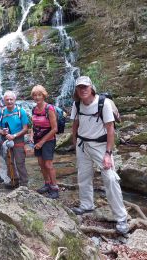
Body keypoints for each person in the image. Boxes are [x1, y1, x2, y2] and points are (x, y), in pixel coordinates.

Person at [70, 76, 129, 234]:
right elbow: (75, 124)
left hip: (101, 145)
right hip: (83, 145)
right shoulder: (77, 104)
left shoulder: (103, 104)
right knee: (83, 176)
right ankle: (86, 205)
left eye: (85, 87)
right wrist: (75, 143)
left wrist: (108, 154)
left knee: (110, 178)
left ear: (91, 88)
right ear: (77, 89)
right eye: (80, 87)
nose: (83, 90)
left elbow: (110, 129)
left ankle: (121, 217)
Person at [0, 90, 29, 189]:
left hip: (18, 140)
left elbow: (25, 128)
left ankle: (24, 183)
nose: (9, 101)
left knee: (20, 161)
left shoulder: (20, 111)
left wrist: (14, 135)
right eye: (7, 99)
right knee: (9, 161)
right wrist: (3, 132)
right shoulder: (1, 112)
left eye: (11, 99)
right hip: (5, 140)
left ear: (15, 100)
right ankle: (14, 180)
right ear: (4, 101)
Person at [30, 85, 59, 199]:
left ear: (43, 95)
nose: (37, 97)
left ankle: (55, 188)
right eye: (35, 95)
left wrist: (42, 142)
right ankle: (47, 184)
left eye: (39, 95)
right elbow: (34, 125)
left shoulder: (49, 108)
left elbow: (54, 129)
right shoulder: (34, 109)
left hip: (48, 140)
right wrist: (31, 135)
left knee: (48, 164)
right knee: (41, 163)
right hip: (37, 140)